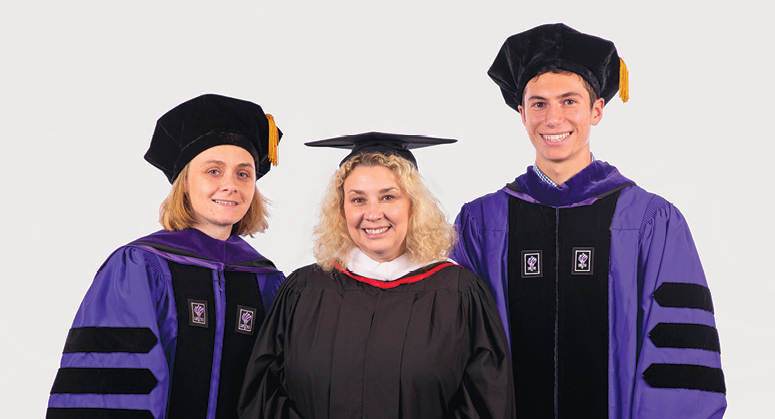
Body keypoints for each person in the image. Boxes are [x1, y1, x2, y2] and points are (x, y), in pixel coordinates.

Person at [451, 23, 726, 418]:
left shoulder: (650, 222)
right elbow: (456, 346)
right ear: (521, 113)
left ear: (596, 110)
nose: (553, 118)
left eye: (569, 101)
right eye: (539, 103)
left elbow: (678, 358)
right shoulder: (481, 223)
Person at [238, 132, 515, 419]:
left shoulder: (459, 293)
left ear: (414, 205)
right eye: (358, 200)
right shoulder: (304, 291)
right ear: (341, 210)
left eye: (388, 197)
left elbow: (487, 404)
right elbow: (264, 396)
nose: (373, 213)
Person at [46, 94, 286, 419]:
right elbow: (112, 387)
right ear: (184, 183)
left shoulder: (267, 280)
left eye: (243, 173)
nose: (230, 184)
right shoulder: (139, 267)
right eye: (213, 171)